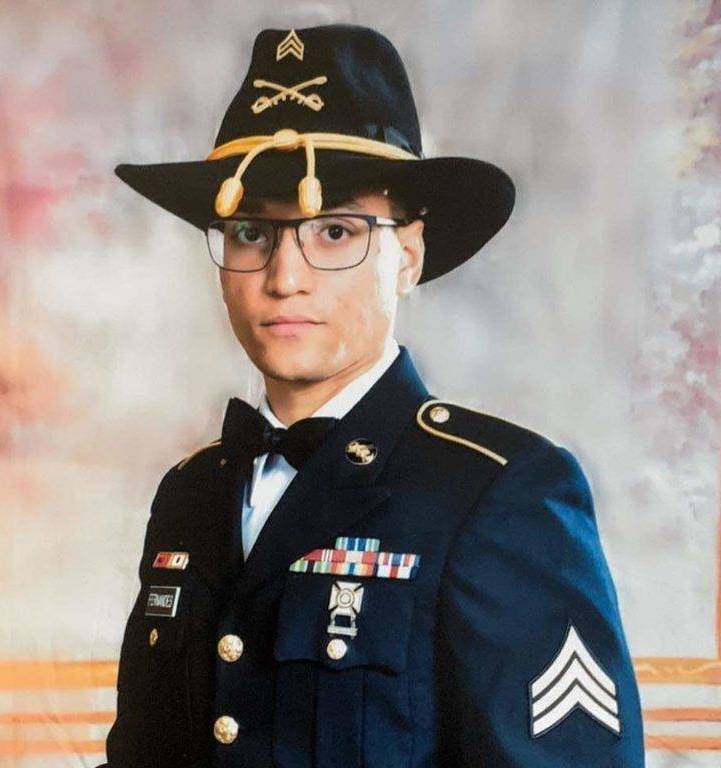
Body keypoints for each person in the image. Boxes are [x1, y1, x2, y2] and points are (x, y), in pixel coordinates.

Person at [99, 23, 645, 768]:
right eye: (252, 231)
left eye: (334, 232)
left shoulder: (496, 493)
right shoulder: (192, 494)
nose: (284, 277)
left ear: (407, 257)